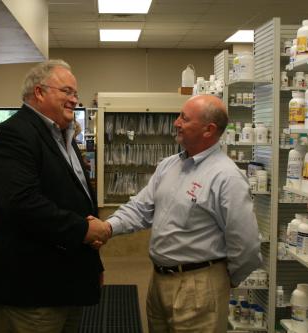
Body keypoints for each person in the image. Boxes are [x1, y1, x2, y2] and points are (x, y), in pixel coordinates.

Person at [90, 95, 262, 332]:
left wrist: (221, 280)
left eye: (184, 118)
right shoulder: (169, 165)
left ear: (208, 130)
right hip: (159, 282)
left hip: (199, 286)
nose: (176, 123)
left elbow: (247, 245)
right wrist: (107, 227)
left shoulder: (226, 176)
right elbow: (141, 208)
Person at [0, 59, 110, 333]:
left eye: (75, 94)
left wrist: (92, 262)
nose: (74, 100)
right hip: (29, 291)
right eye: (67, 92)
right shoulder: (13, 134)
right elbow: (22, 204)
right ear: (39, 92)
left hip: (65, 284)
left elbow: (75, 199)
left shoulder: (62, 136)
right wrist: (84, 230)